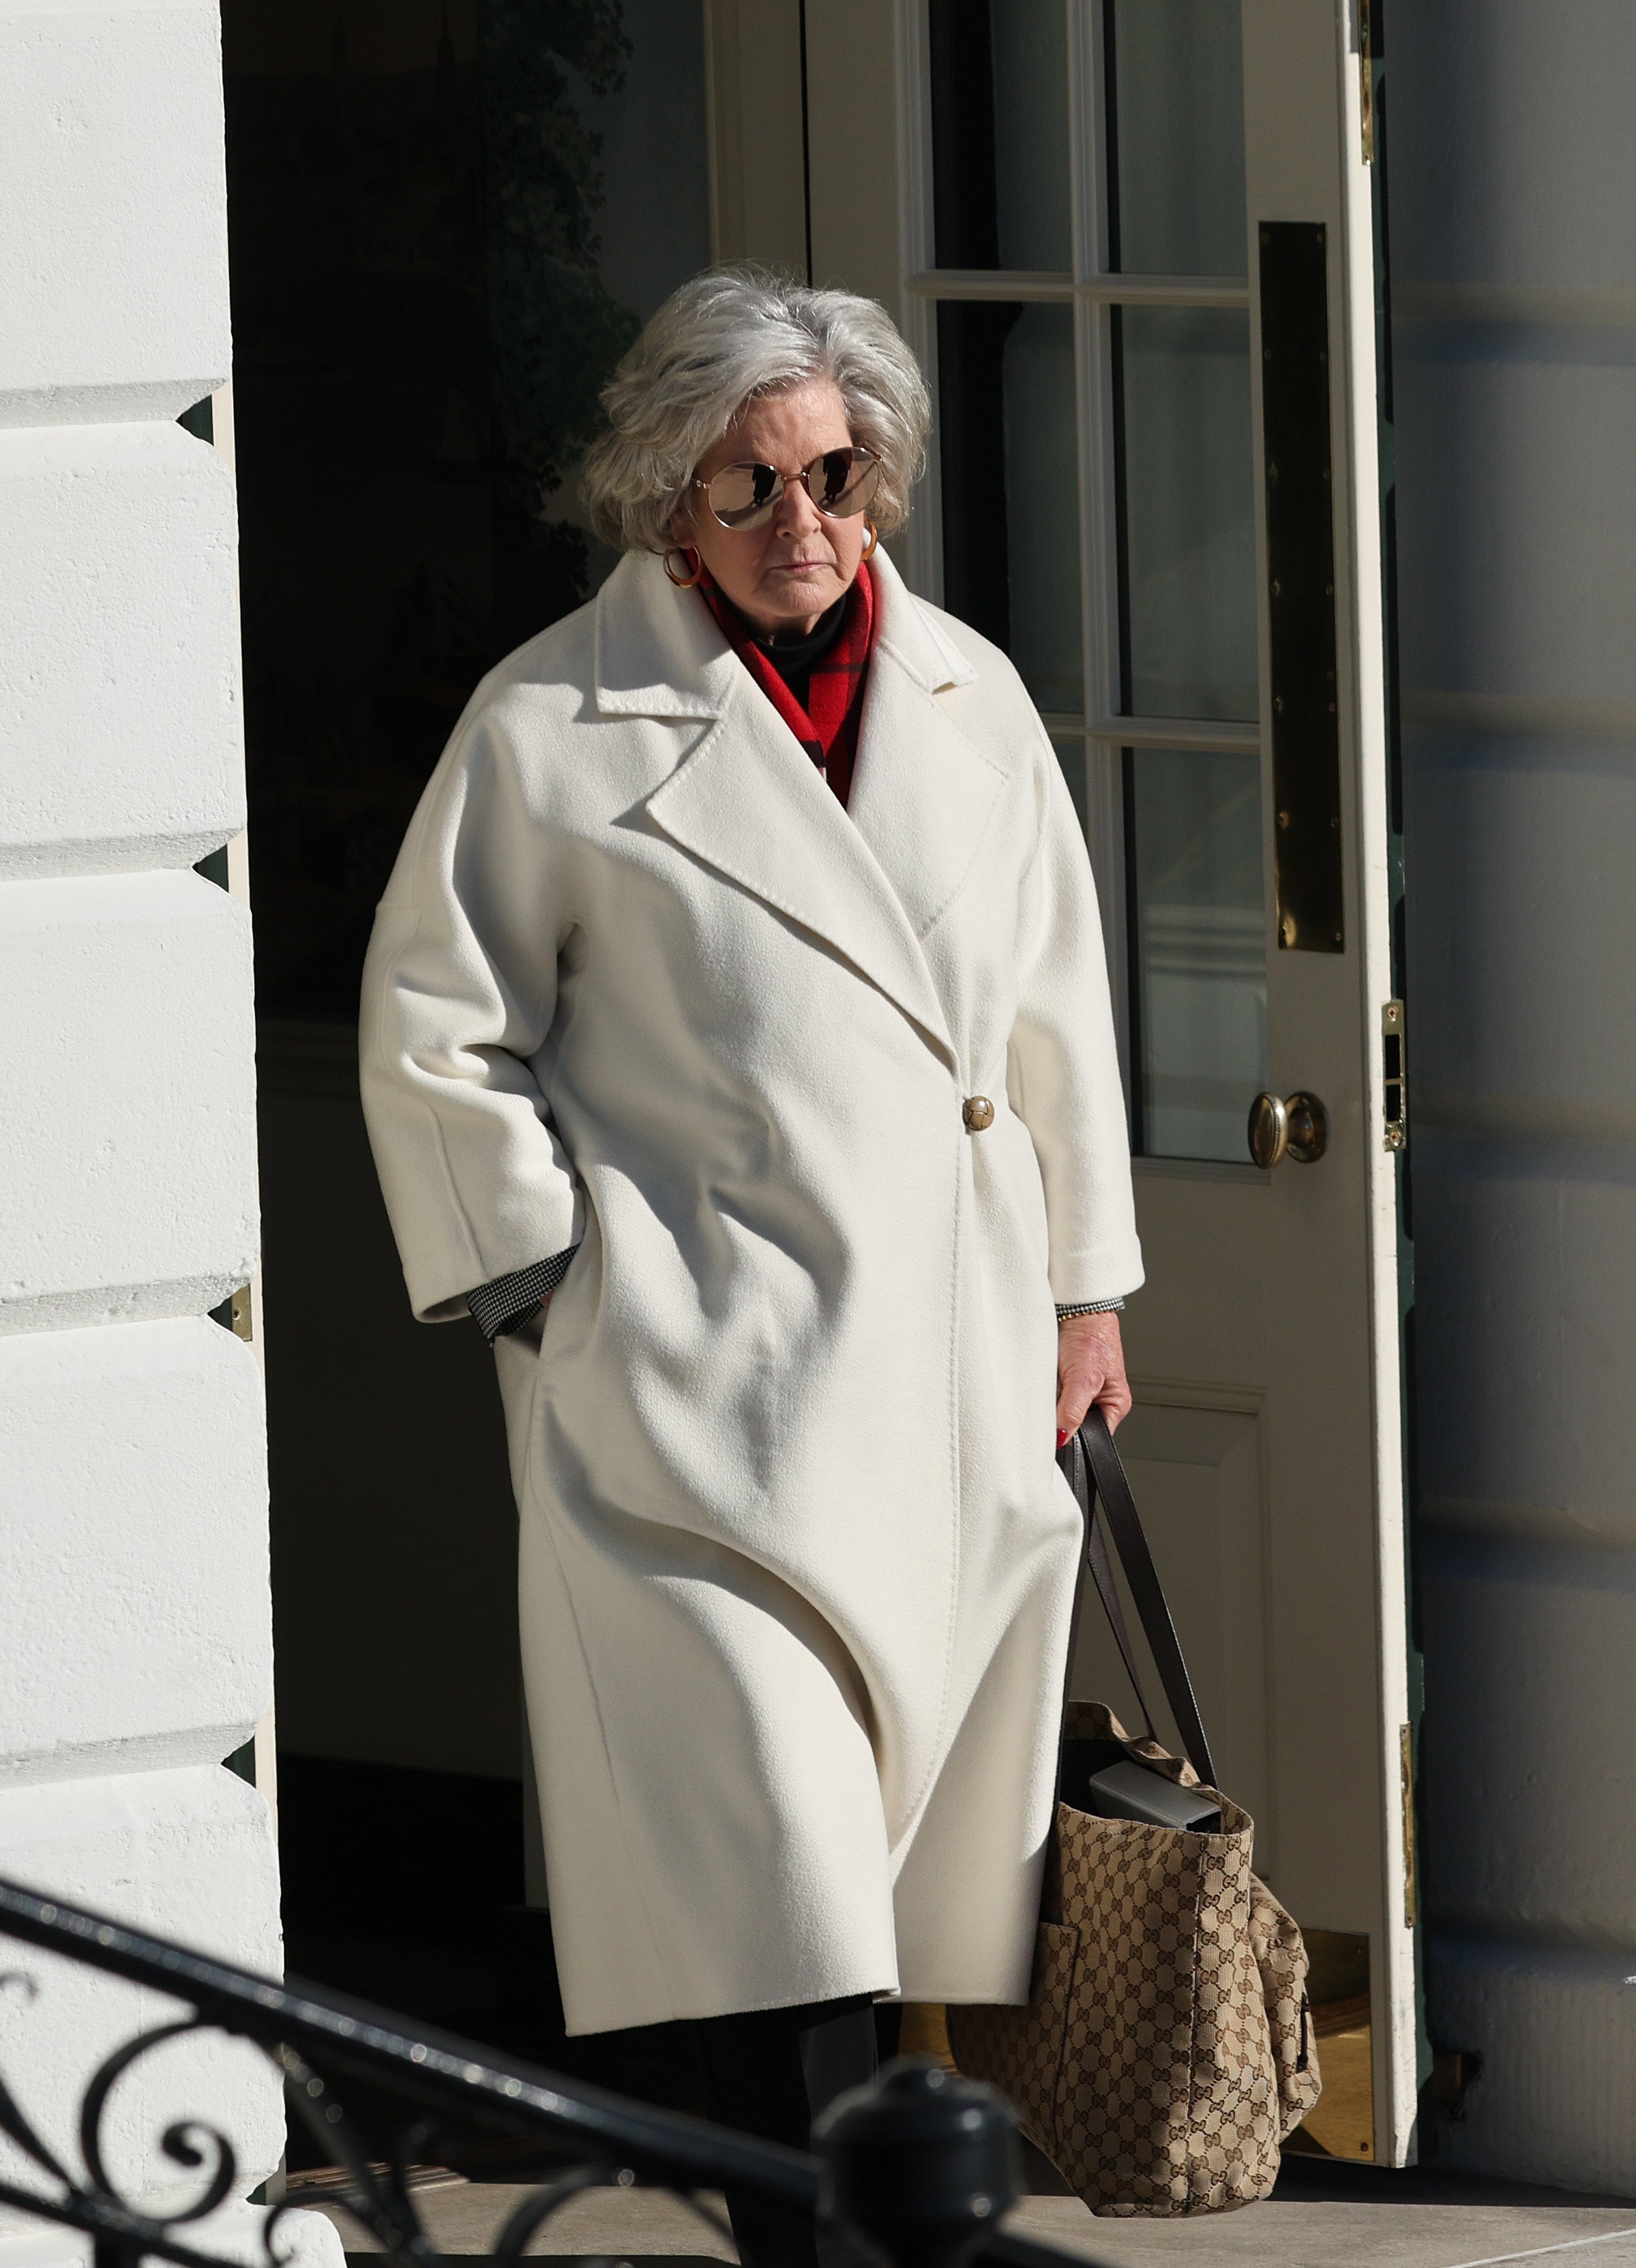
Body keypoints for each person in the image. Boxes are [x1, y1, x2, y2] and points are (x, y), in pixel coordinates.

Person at [357, 268, 1140, 2265]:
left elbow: (1055, 1017)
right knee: (777, 1881)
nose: (805, 521)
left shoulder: (972, 696)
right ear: (657, 504)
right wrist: (558, 1287)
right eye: (748, 486)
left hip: (953, 1372)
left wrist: (1087, 1291)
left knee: (887, 1899)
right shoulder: (548, 722)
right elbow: (436, 1030)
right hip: (701, 1401)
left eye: (837, 472)